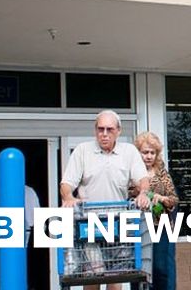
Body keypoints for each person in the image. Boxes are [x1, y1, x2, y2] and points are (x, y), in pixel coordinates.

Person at [60, 110, 151, 290]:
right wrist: (69, 197)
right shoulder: (83, 151)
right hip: (89, 226)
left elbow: (143, 180)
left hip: (117, 226)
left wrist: (143, 193)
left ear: (118, 130)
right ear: (95, 130)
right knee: (93, 276)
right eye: (100, 129)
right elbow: (66, 183)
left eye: (109, 129)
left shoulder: (129, 152)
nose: (104, 134)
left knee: (115, 278)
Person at [130, 131, 179, 290]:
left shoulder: (162, 172)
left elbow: (173, 199)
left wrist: (162, 198)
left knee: (161, 267)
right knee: (140, 268)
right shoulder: (131, 173)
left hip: (161, 226)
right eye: (145, 152)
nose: (149, 156)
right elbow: (126, 194)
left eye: (152, 152)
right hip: (139, 227)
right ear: (138, 153)